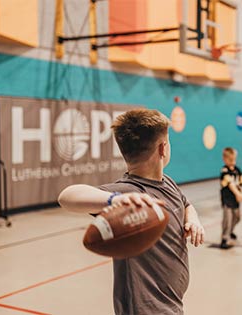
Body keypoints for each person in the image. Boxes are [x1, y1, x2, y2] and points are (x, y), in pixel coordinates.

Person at [58, 109, 205, 315]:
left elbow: (186, 204)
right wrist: (114, 200)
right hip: (146, 309)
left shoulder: (168, 183)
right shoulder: (129, 192)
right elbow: (67, 196)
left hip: (172, 303)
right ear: (163, 148)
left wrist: (193, 220)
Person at [219, 147, 242, 249]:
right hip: (227, 200)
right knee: (228, 219)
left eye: (234, 159)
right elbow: (231, 184)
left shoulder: (237, 170)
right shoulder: (224, 171)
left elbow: (239, 184)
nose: (233, 162)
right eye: (230, 160)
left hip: (236, 200)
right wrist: (238, 194)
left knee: (237, 217)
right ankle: (224, 238)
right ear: (225, 159)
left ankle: (230, 231)